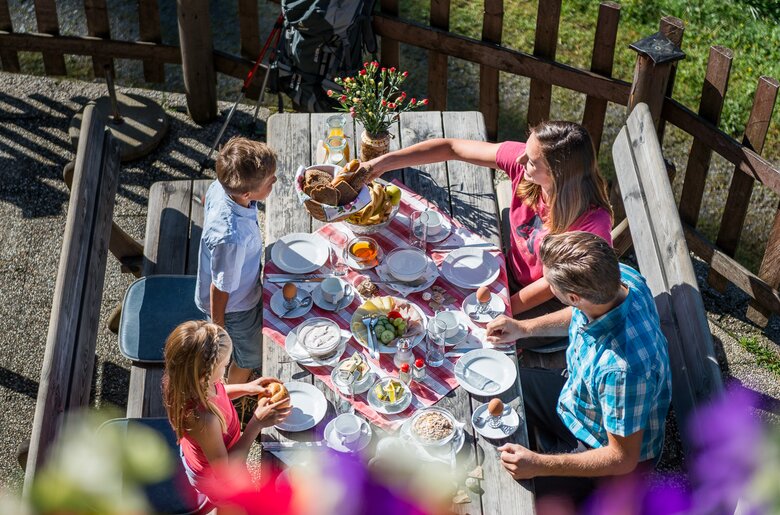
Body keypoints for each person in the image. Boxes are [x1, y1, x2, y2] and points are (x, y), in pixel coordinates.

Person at [364, 122, 613, 327]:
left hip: (548, 305)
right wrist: (380, 164)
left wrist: (503, 307)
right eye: (526, 150)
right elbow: (452, 148)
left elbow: (552, 285)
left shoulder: (592, 225)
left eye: (532, 161)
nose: (520, 158)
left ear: (557, 174)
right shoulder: (527, 168)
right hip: (506, 275)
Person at [486, 232, 672, 503]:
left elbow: (622, 458)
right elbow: (581, 313)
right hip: (579, 402)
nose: (546, 286)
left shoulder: (621, 372)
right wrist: (523, 329)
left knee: (508, 494)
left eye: (550, 286)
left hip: (605, 452)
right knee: (502, 379)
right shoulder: (621, 279)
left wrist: (538, 463)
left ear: (573, 297)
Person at [163, 320, 290, 502]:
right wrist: (256, 423)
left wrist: (247, 387)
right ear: (204, 374)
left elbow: (219, 393)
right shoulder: (204, 419)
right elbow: (226, 472)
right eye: (224, 366)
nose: (225, 369)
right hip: (215, 479)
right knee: (234, 503)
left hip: (214, 454)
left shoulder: (189, 382)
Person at [195, 137, 278, 383]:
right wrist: (219, 332)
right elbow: (220, 289)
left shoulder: (222, 188)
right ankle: (230, 398)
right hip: (236, 307)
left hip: (240, 288)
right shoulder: (232, 238)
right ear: (247, 193)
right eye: (269, 181)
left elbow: (207, 201)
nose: (274, 180)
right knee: (251, 356)